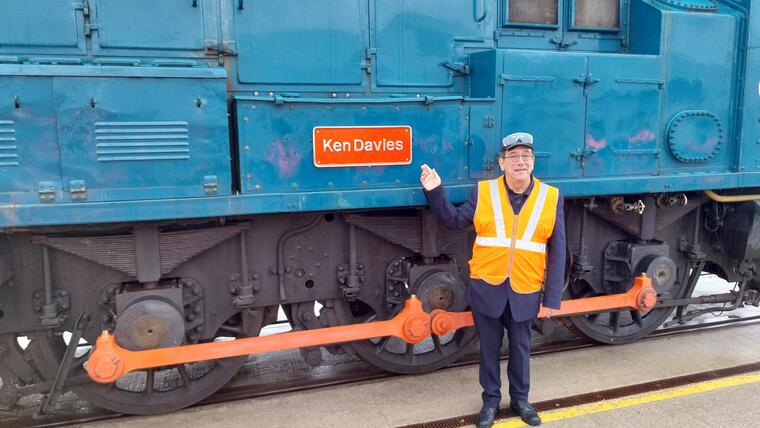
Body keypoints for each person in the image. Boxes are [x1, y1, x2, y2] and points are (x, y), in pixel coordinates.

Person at [420, 132, 565, 427]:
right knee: (488, 350)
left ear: (533, 161)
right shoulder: (484, 191)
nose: (520, 162)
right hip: (488, 287)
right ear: (502, 162)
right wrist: (435, 192)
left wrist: (552, 298)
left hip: (525, 287)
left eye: (526, 156)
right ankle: (490, 402)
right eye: (514, 156)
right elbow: (454, 220)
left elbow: (559, 249)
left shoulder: (551, 197)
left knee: (521, 349)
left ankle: (521, 400)